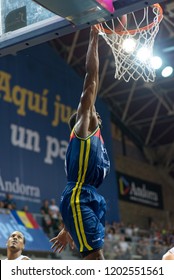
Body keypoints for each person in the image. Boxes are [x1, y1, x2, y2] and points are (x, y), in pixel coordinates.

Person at [50, 26, 110, 260]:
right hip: (79, 197)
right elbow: (90, 79)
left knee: (95, 256)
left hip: (89, 196)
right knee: (95, 258)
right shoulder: (83, 128)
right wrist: (93, 38)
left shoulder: (96, 138)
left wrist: (68, 227)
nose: (94, 109)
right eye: (90, 109)